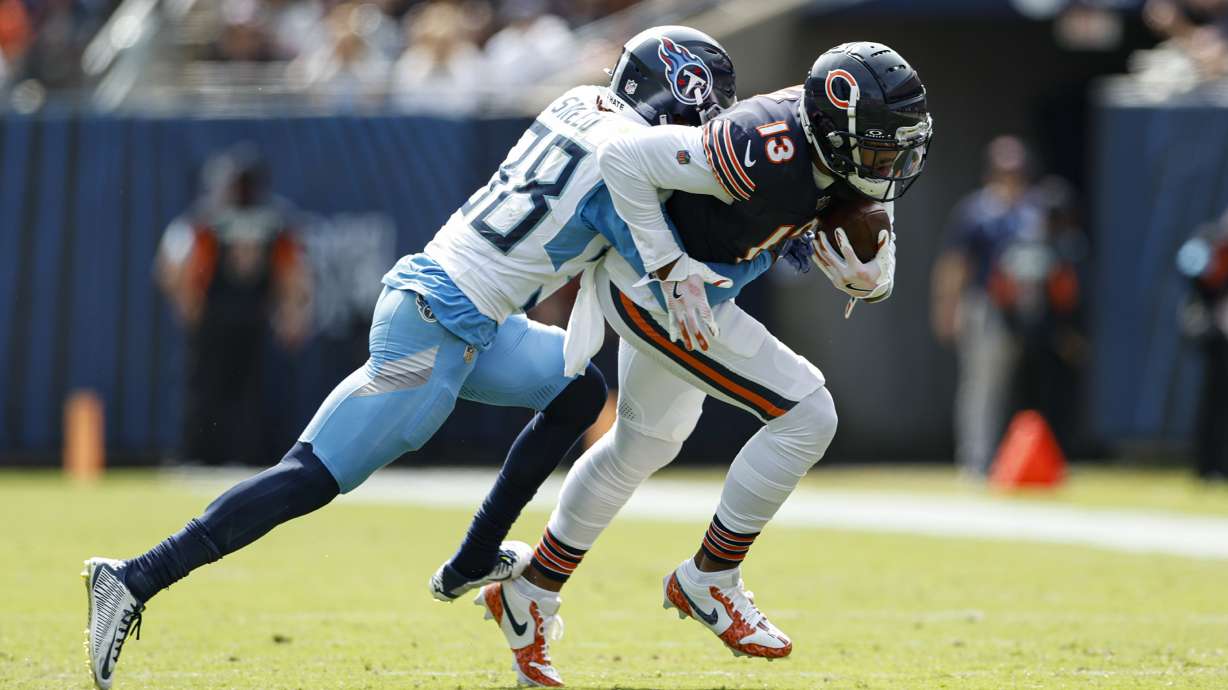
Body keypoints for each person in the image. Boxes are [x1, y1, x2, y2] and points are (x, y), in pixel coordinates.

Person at [80, 25, 739, 690]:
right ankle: (135, 576)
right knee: (309, 476)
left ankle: (474, 559)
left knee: (575, 389)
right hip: (432, 332)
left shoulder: (572, 105)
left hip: (470, 316)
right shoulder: (626, 159)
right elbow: (651, 256)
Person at [460, 42, 932, 686]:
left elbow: (871, 198)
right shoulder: (759, 143)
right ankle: (710, 577)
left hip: (695, 290)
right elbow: (621, 158)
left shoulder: (841, 145)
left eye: (897, 149)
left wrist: (876, 272)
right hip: (658, 289)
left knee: (643, 444)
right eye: (879, 148)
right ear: (834, 129)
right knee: (807, 414)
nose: (890, 164)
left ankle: (530, 591)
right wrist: (666, 264)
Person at [155, 145, 312, 466]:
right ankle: (213, 453)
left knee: (237, 390)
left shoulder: (210, 218)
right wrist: (292, 311)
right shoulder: (265, 219)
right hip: (232, 314)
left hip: (239, 314)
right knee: (220, 388)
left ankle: (219, 454)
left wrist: (292, 312)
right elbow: (176, 267)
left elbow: (171, 266)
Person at [931, 136, 1043, 478]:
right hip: (985, 305)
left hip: (1025, 305)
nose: (1011, 177)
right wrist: (947, 308)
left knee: (1022, 384)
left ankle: (1015, 457)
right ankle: (977, 459)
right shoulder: (976, 211)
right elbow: (954, 263)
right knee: (981, 384)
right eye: (1004, 170)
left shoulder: (1033, 211)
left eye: (1017, 170)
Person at [1177, 211, 1228, 481]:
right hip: (1211, 331)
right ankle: (1206, 464)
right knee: (1211, 399)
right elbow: (1190, 266)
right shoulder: (1207, 241)